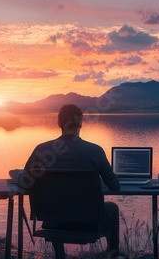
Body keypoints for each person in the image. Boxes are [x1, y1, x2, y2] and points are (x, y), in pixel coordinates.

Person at [20, 104, 121, 258]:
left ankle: (60, 256)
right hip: (89, 223)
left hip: (53, 222)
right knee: (112, 208)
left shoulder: (41, 150)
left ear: (59, 123)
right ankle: (113, 255)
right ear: (81, 123)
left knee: (57, 204)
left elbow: (23, 182)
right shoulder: (95, 151)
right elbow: (114, 185)